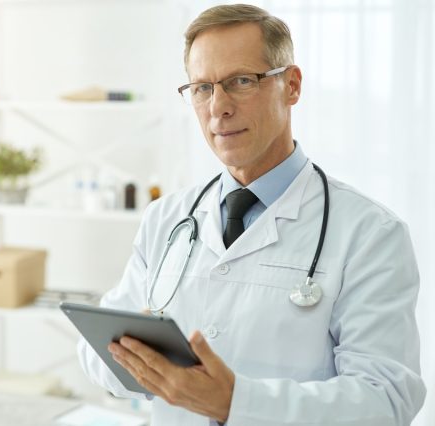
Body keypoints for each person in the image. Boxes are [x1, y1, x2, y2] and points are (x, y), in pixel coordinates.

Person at [77, 4, 426, 426]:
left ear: (291, 86)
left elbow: (386, 400)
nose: (217, 107)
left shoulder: (371, 233)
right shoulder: (166, 218)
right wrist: (140, 358)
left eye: (240, 81)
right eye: (202, 88)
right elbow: (95, 355)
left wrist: (235, 402)